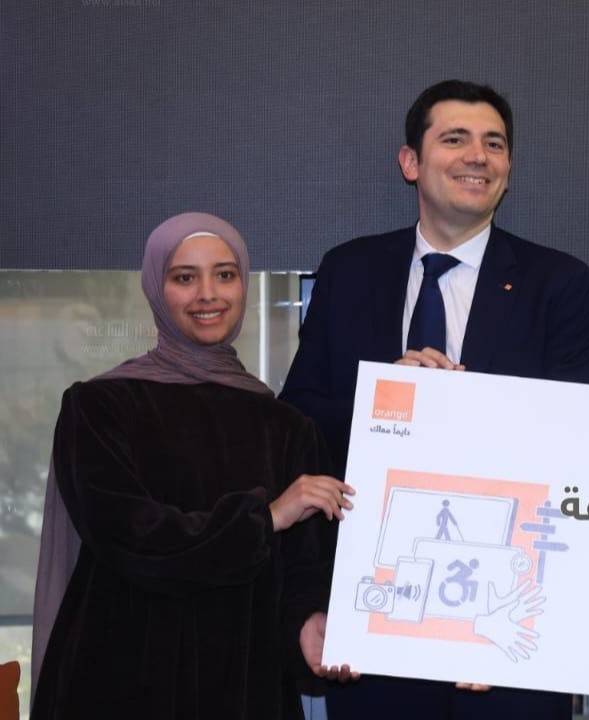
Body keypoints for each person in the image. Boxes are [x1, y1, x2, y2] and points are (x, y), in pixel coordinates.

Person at [280, 79, 589, 719]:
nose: (477, 156)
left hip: (506, 630)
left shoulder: (559, 284)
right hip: (374, 619)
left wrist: (467, 409)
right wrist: (387, 402)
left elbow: (583, 445)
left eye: (494, 144)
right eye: (455, 139)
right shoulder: (349, 272)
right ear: (411, 162)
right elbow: (299, 427)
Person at [30, 212, 356, 719]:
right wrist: (264, 519)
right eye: (185, 277)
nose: (208, 294)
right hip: (120, 680)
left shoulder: (289, 427)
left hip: (243, 684)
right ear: (155, 289)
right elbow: (130, 536)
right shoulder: (98, 408)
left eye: (225, 275)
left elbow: (302, 570)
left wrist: (309, 622)